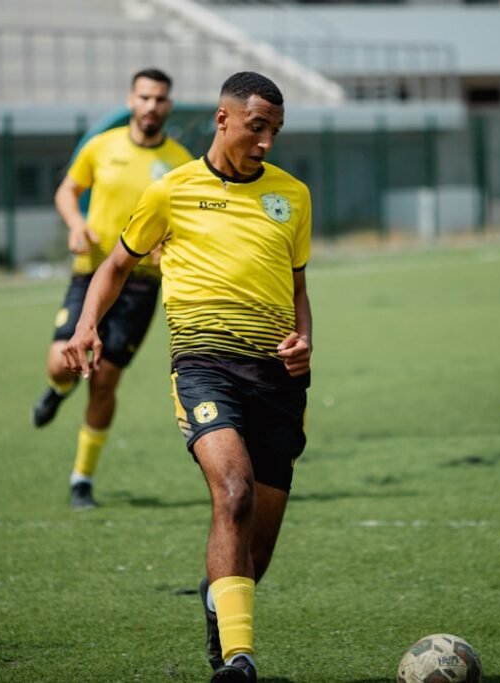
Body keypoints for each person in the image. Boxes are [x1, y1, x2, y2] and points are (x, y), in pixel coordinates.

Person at [62, 71, 312, 683]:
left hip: (278, 380)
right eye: (258, 127)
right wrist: (87, 324)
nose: (267, 142)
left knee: (256, 552)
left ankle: (215, 599)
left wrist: (305, 339)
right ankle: (238, 661)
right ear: (223, 119)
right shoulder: (171, 191)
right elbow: (115, 265)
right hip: (204, 367)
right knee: (234, 491)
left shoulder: (293, 196)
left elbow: (298, 285)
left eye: (276, 131)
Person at [31, 68, 194, 510]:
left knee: (104, 382)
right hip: (92, 272)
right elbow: (67, 191)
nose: (151, 106)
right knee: (61, 364)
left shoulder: (182, 163)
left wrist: (169, 246)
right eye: (144, 97)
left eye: (159, 99)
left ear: (168, 105)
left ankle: (81, 479)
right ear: (131, 100)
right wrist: (76, 223)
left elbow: (189, 222)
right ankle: (57, 390)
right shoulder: (101, 146)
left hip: (141, 285)